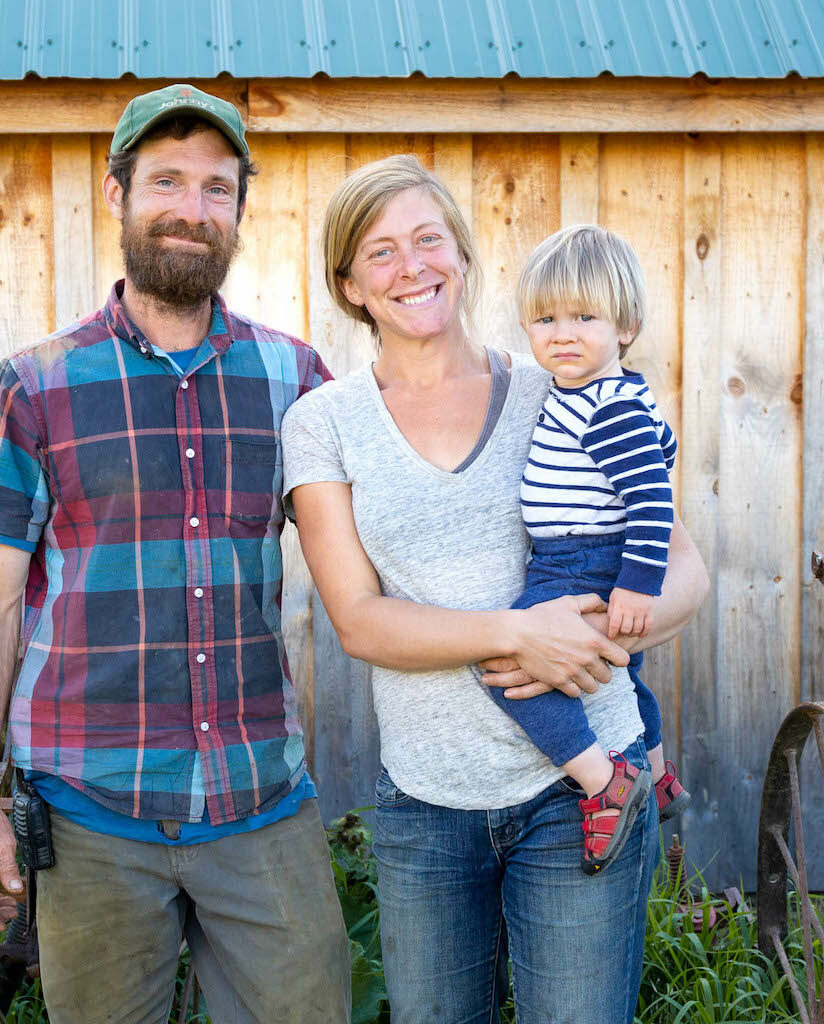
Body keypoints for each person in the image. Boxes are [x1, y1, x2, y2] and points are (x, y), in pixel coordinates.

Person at [0, 83, 350, 1024]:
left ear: (240, 212)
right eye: (166, 181)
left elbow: (369, 563)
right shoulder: (36, 385)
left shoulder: (297, 381)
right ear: (117, 192)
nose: (191, 209)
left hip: (261, 799)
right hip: (92, 813)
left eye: (217, 188)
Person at [281, 155, 708, 1024]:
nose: (412, 267)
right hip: (427, 804)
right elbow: (359, 622)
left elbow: (687, 569)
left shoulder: (559, 383)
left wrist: (598, 632)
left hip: (585, 792)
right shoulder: (323, 421)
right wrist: (516, 637)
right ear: (350, 284)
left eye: (429, 240)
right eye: (381, 252)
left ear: (464, 257)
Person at [480, 223, 691, 876]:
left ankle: (605, 783)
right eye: (544, 319)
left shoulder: (608, 407)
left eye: (584, 316)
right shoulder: (587, 393)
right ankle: (656, 775)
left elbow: (653, 505)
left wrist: (635, 584)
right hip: (576, 554)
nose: (561, 333)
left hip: (583, 561)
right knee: (625, 677)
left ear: (625, 325)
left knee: (503, 662)